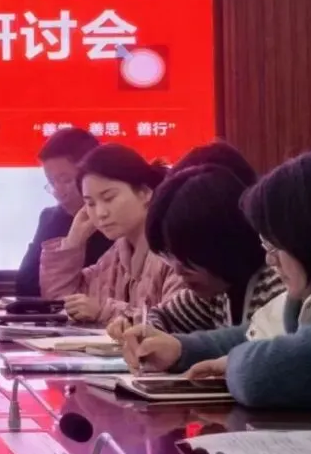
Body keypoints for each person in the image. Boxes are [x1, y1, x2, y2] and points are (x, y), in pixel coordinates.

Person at [123, 149, 311, 410]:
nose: (270, 260)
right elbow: (255, 334)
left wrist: (234, 363)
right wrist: (180, 350)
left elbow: (263, 375)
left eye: (275, 246)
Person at [108, 163, 282, 337]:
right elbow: (163, 316)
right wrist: (139, 327)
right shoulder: (215, 292)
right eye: (170, 256)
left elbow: (254, 343)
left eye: (186, 256)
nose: (178, 270)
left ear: (222, 241)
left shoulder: (275, 288)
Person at [39, 143, 182, 323]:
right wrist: (73, 242)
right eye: (90, 203)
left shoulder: (174, 250)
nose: (100, 213)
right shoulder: (115, 256)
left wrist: (105, 312)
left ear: (145, 193)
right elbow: (62, 304)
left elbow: (177, 322)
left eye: (109, 198)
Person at [15, 128, 112, 296]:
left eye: (66, 180)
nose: (59, 192)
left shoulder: (115, 220)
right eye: (52, 182)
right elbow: (25, 285)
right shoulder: (51, 219)